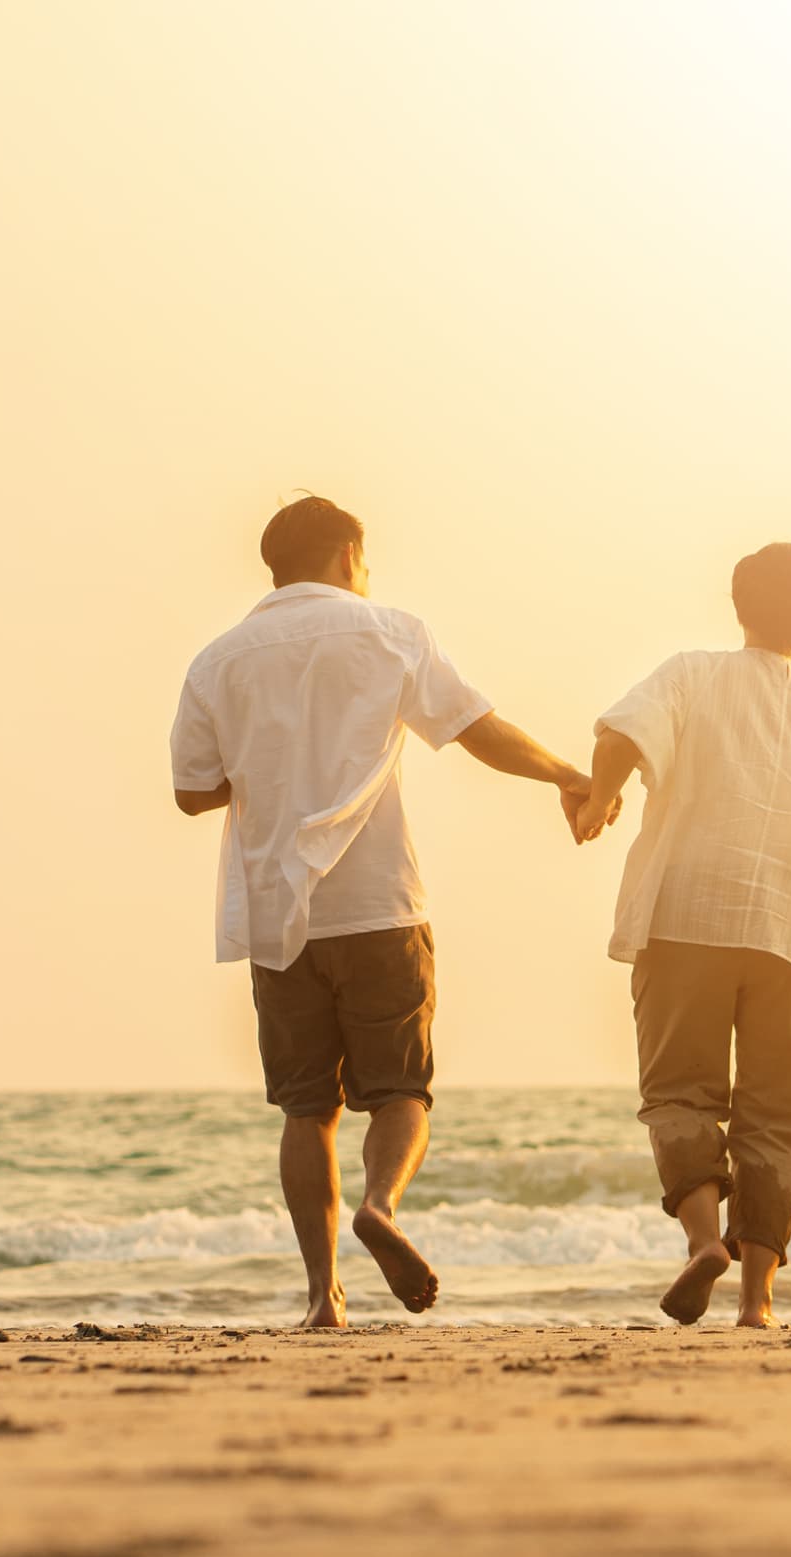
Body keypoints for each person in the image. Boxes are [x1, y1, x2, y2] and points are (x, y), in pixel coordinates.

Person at [169, 494, 603, 1328]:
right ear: (347, 554)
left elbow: (192, 792)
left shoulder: (217, 660)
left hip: (277, 917)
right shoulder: (389, 630)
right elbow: (478, 730)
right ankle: (382, 1205)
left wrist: (265, 774)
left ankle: (322, 1296)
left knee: (307, 1109)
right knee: (402, 1090)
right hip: (379, 903)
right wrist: (569, 777)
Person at [574, 543, 791, 1328]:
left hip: (689, 917)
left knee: (681, 1091)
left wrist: (596, 802)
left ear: (738, 603)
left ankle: (705, 1240)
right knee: (779, 1116)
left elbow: (621, 737)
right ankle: (757, 1299)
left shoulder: (691, 672)